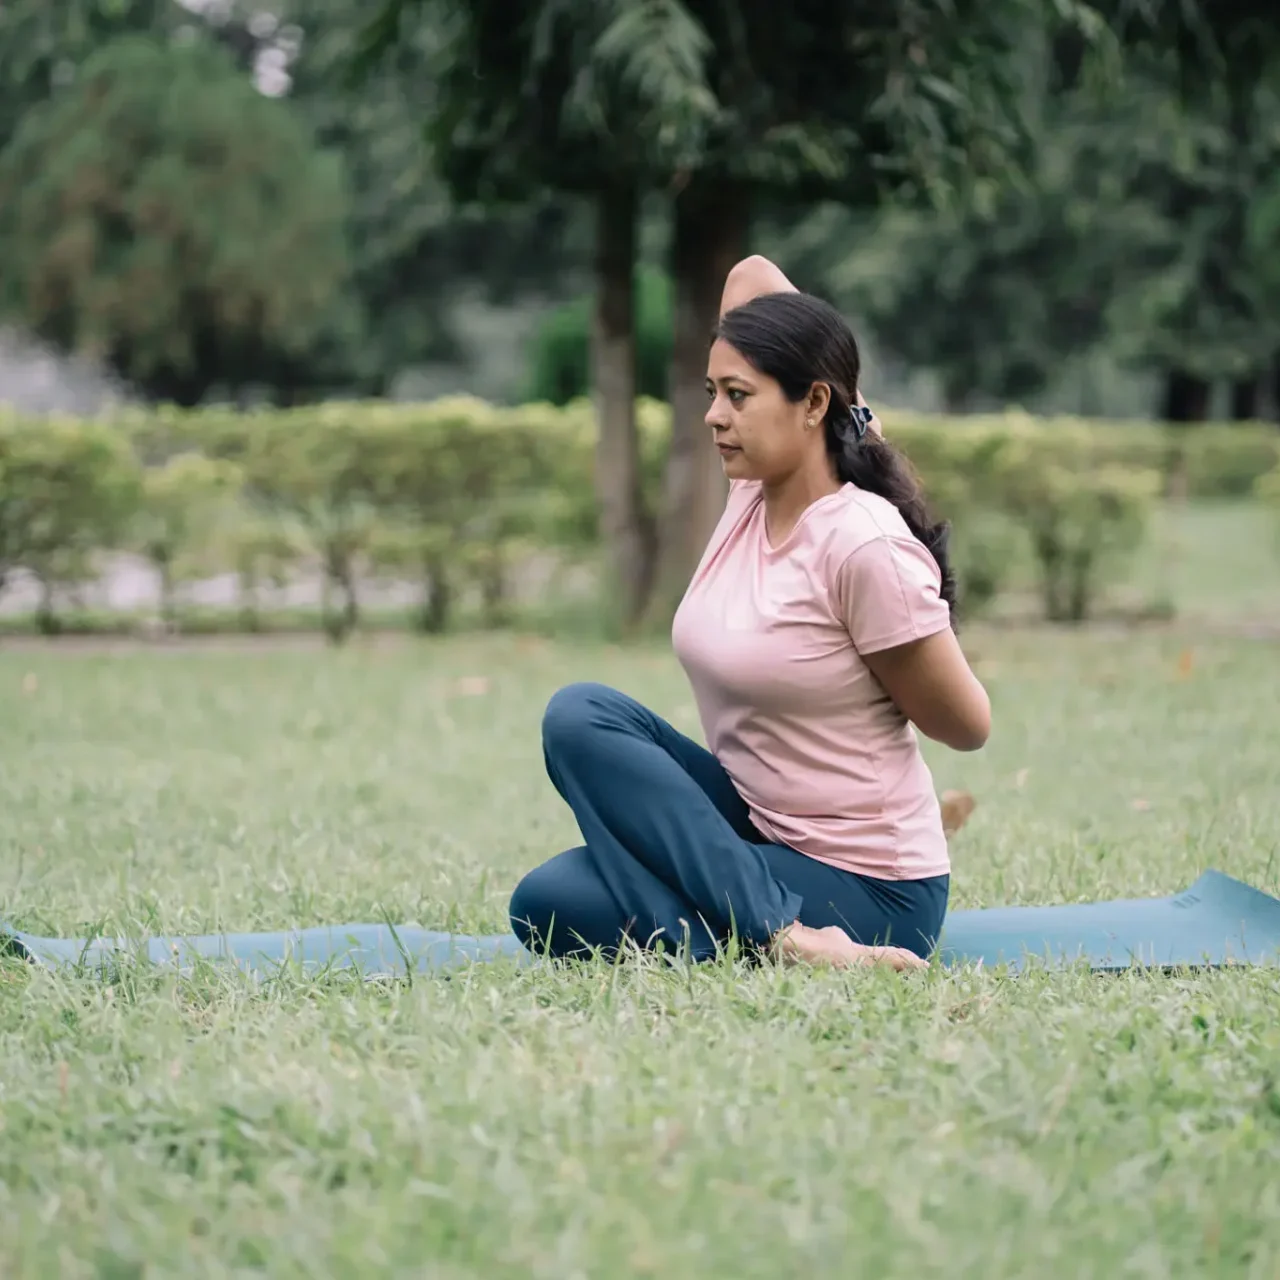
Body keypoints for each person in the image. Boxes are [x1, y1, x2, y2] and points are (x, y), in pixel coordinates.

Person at [508, 255, 991, 972]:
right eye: (712, 392)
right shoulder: (755, 490)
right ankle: (765, 925)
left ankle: (787, 938)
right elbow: (750, 276)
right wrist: (841, 390)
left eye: (737, 394)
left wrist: (905, 627)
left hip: (870, 887)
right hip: (760, 832)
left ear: (813, 404)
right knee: (577, 733)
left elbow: (966, 726)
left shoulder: (864, 545)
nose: (713, 415)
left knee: (570, 905)